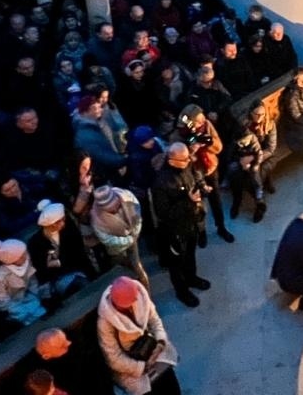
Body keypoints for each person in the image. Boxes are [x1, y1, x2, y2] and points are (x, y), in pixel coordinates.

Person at [96, 278, 196, 395]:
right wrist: (141, 367)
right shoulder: (105, 323)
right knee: (152, 394)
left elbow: (154, 320)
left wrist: (161, 342)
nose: (134, 304)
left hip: (151, 349)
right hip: (132, 365)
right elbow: (113, 357)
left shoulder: (139, 295)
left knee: (169, 379)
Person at [151, 141, 210, 307]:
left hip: (191, 223)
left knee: (190, 254)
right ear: (171, 161)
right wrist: (188, 201)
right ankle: (182, 291)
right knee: (175, 263)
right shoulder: (161, 183)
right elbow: (163, 213)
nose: (189, 161)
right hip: (174, 230)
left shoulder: (186, 167)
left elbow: (194, 181)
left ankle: (192, 278)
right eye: (184, 159)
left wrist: (202, 188)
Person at [178, 104, 234, 245]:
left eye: (202, 118)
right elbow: (181, 154)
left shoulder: (206, 125)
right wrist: (192, 149)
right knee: (199, 204)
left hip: (210, 168)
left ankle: (221, 227)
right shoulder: (182, 132)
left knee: (216, 200)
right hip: (194, 173)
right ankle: (201, 231)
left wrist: (206, 141)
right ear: (190, 122)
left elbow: (218, 146)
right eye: (198, 121)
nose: (202, 122)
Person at [28, 200, 94, 298]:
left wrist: (59, 262)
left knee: (83, 285)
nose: (63, 223)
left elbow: (78, 254)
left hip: (78, 270)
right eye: (59, 222)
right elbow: (42, 268)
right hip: (56, 279)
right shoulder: (35, 242)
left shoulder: (69, 229)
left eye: (63, 219)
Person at [90, 184, 149, 285]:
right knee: (119, 261)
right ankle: (129, 268)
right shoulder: (96, 218)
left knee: (137, 265)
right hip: (116, 247)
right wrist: (129, 240)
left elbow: (138, 216)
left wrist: (135, 232)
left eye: (116, 205)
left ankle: (144, 286)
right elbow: (107, 240)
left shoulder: (127, 197)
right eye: (111, 210)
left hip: (132, 235)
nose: (116, 210)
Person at [0, 238, 49, 326]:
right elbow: (1, 298)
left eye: (24, 253)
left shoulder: (26, 261)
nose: (25, 256)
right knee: (26, 320)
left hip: (28, 297)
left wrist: (36, 294)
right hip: (12, 304)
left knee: (39, 312)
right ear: (10, 259)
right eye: (21, 256)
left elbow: (32, 279)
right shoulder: (0, 276)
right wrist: (14, 309)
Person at [71, 92, 128, 181]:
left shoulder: (95, 125)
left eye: (99, 107)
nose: (100, 110)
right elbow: (104, 156)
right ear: (87, 111)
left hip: (111, 168)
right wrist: (124, 159)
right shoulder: (85, 136)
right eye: (96, 108)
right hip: (105, 176)